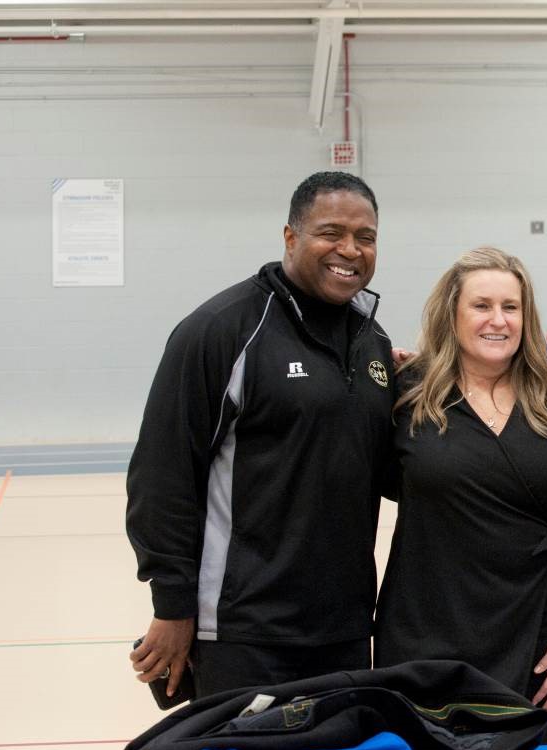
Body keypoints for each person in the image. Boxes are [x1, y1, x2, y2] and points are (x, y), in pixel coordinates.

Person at [126, 171, 395, 699]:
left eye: (366, 237)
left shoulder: (373, 343)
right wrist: (174, 606)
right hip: (242, 632)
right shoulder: (222, 330)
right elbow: (163, 475)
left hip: (343, 628)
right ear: (291, 236)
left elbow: (389, 468)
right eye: (331, 232)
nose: (350, 249)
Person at [374, 247, 547, 740]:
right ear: (452, 315)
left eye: (511, 307)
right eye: (481, 306)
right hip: (426, 627)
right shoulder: (406, 396)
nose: (497, 320)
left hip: (532, 631)